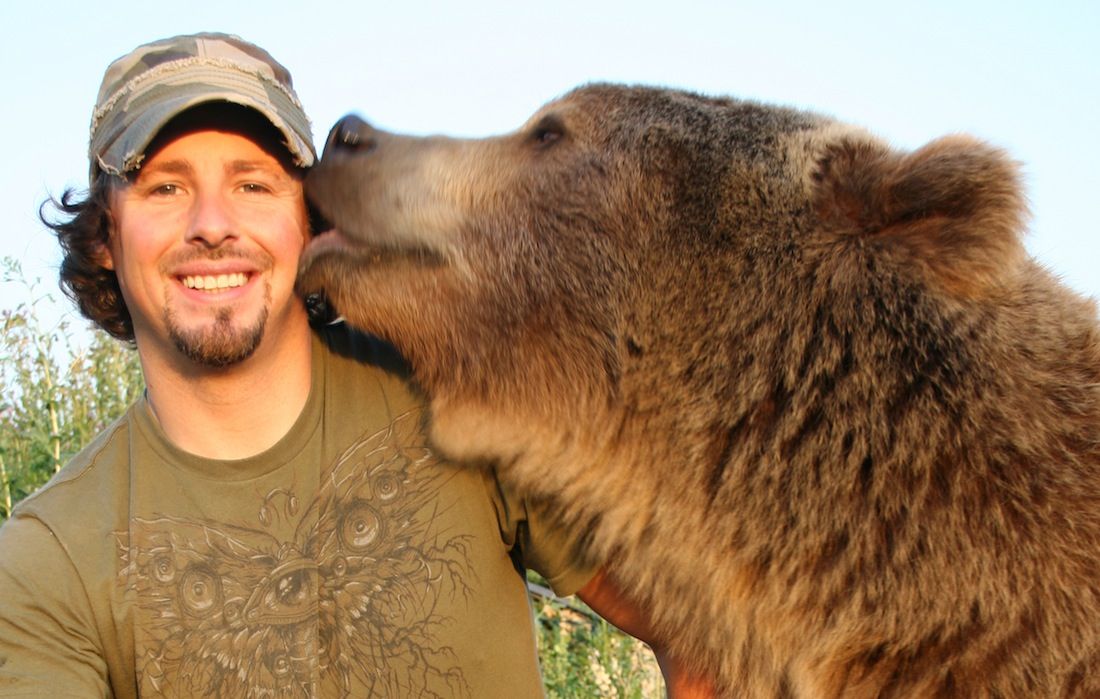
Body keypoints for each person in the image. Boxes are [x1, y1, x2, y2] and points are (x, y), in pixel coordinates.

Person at [0, 33, 713, 697]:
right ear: (104, 233)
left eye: (254, 184)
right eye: (166, 187)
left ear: (308, 219)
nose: (212, 224)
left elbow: (708, 631)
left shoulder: (458, 394)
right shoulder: (47, 562)